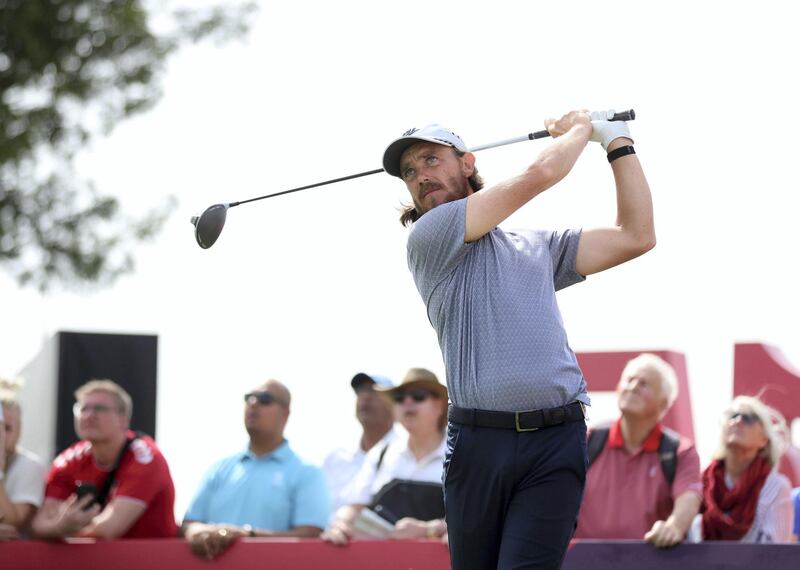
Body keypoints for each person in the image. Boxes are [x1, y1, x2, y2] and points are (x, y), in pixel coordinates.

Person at [382, 110, 654, 569]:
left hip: (555, 440)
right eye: (410, 171)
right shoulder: (430, 236)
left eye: (431, 159)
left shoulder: (537, 246)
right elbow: (542, 173)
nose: (420, 176)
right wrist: (582, 128)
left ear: (467, 163)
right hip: (477, 444)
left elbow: (636, 236)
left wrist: (618, 143)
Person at [181, 379, 330, 560]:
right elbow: (189, 523)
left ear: (285, 413)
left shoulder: (307, 472)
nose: (253, 404)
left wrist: (246, 535)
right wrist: (200, 531)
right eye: (249, 398)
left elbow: (309, 535)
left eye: (265, 399)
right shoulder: (219, 469)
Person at [575, 354, 702, 546]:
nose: (633, 387)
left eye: (644, 384)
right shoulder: (587, 441)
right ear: (618, 390)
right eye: (629, 380)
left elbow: (689, 497)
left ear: (664, 403)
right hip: (582, 562)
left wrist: (674, 527)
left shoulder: (680, 452)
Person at [31, 379, 178, 539]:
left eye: (99, 408)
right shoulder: (68, 460)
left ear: (123, 419)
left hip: (152, 561)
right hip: (96, 562)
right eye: (83, 408)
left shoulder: (145, 457)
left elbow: (108, 530)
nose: (88, 415)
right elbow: (38, 525)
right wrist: (60, 526)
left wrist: (60, 530)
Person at [324, 368, 449, 545]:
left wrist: (428, 529)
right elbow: (354, 506)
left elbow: (476, 516)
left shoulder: (461, 456)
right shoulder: (382, 453)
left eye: (418, 396)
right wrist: (341, 524)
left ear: (439, 406)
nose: (407, 402)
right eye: (399, 398)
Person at [689, 395, 793, 543]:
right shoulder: (701, 482)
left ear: (764, 440)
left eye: (749, 418)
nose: (738, 421)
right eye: (733, 416)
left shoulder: (776, 487)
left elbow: (775, 555)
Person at [322, 372, 397, 516]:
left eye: (375, 391)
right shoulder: (335, 458)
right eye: (360, 391)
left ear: (395, 404)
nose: (365, 396)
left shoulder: (405, 456)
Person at [1, 377, 46, 541]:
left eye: (7, 428)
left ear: (19, 430)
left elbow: (11, 523)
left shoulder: (28, 465)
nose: (2, 435)